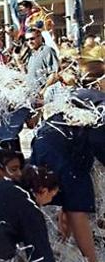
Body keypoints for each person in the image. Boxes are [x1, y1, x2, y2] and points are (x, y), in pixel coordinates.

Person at [30, 86, 105, 262]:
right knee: (77, 208)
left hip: (46, 140)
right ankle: (91, 259)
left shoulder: (94, 97)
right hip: (64, 149)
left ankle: (61, 243)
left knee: (65, 201)